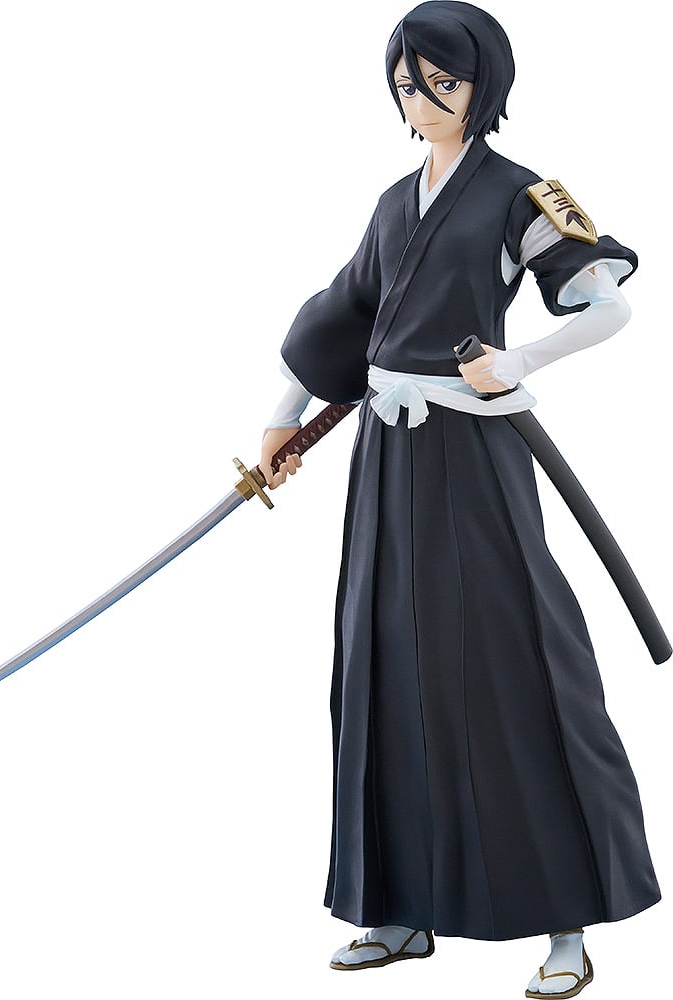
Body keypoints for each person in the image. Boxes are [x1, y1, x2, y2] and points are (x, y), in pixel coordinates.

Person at [259, 3, 660, 997]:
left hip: (473, 456)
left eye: (442, 81)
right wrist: (279, 417)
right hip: (384, 461)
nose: (423, 99)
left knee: (515, 663)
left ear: (485, 84)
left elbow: (606, 303)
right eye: (407, 84)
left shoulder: (520, 194)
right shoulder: (393, 203)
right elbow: (342, 315)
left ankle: (565, 923)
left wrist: (518, 361)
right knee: (382, 664)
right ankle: (398, 909)